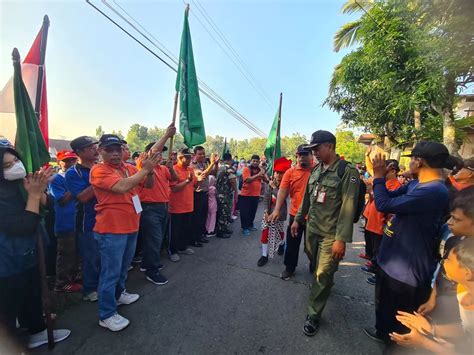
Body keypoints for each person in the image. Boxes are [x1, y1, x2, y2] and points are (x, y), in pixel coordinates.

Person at [364, 141, 453, 344]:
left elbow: (384, 204)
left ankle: (392, 343)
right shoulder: (416, 184)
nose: (410, 164)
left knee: (399, 321)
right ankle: (381, 333)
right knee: (384, 308)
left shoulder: (433, 191)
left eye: (412, 159)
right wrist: (379, 180)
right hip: (391, 261)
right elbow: (387, 197)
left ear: (419, 161)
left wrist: (378, 177)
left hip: (406, 271)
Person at [0, 146, 71, 349]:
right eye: (7, 165)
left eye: (16, 161)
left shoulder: (20, 183)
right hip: (8, 260)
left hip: (29, 253)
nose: (15, 167)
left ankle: (36, 329)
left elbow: (49, 205)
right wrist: (33, 195)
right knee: (10, 303)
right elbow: (23, 226)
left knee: (32, 293)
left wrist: (38, 192)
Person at [291, 130, 360, 336]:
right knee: (314, 262)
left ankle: (313, 315)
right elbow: (307, 198)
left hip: (331, 234)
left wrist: (341, 239)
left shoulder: (347, 172)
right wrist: (297, 219)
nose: (314, 153)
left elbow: (348, 207)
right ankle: (327, 279)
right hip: (312, 229)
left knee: (322, 273)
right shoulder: (316, 170)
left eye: (317, 149)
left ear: (329, 146)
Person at [90, 134, 161, 332]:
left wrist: (150, 171)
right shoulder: (99, 170)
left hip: (131, 225)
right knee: (110, 273)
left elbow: (147, 185)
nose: (114, 153)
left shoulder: (128, 168)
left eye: (118, 149)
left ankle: (119, 294)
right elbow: (122, 187)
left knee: (122, 268)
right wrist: (145, 169)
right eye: (109, 150)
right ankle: (106, 314)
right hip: (111, 230)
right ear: (100, 151)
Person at [137, 125, 177, 285]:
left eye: (162, 153)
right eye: (158, 152)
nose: (160, 155)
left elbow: (173, 179)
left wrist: (171, 168)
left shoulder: (161, 168)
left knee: (156, 238)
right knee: (154, 239)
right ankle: (151, 271)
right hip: (149, 208)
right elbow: (152, 152)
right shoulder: (143, 163)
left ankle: (148, 263)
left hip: (163, 206)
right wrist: (166, 135)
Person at [268, 145, 314, 280]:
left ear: (312, 156)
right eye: (299, 155)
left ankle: (314, 263)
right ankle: (290, 268)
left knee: (311, 245)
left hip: (314, 216)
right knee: (292, 244)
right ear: (296, 156)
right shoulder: (290, 172)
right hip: (295, 215)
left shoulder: (318, 171)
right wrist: (276, 210)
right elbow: (282, 191)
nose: (302, 157)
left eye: (305, 154)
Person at [66, 135, 100, 302]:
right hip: (87, 221)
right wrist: (101, 180)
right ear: (79, 152)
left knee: (103, 256)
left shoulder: (100, 167)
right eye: (90, 147)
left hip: (106, 219)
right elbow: (82, 197)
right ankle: (90, 289)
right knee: (90, 257)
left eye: (95, 146)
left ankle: (102, 284)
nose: (96, 149)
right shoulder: (73, 173)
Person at [361, 158, 402, 286]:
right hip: (373, 221)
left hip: (381, 224)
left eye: (385, 169)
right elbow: (374, 199)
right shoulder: (383, 183)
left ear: (393, 170)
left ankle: (378, 276)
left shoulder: (396, 186)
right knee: (375, 249)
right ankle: (374, 269)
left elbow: (391, 208)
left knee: (380, 252)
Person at [49, 150, 81, 293]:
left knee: (75, 252)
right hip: (65, 222)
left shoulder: (76, 176)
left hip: (77, 221)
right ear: (59, 162)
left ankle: (73, 278)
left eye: (73, 160)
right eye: (66, 160)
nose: (70, 163)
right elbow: (61, 200)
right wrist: (75, 188)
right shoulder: (56, 179)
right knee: (65, 254)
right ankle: (62, 283)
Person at [257, 157, 292, 267]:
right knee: (265, 233)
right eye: (277, 172)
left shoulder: (287, 185)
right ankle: (264, 255)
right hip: (268, 214)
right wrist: (266, 211)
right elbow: (266, 198)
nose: (278, 175)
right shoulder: (270, 183)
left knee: (280, 233)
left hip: (280, 214)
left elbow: (282, 197)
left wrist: (274, 188)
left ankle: (282, 244)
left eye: (281, 173)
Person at [168, 148, 197, 262]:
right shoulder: (173, 170)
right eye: (188, 157)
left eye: (190, 157)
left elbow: (194, 184)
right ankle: (172, 251)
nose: (190, 160)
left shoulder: (190, 169)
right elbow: (174, 189)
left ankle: (182, 247)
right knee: (175, 231)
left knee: (185, 228)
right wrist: (186, 181)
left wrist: (199, 179)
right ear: (180, 158)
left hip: (188, 204)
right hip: (176, 206)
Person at [191, 146, 218, 247]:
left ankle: (200, 235)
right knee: (196, 218)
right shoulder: (193, 165)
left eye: (203, 153)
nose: (202, 155)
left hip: (205, 193)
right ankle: (194, 239)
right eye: (200, 154)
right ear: (194, 155)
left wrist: (215, 164)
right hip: (197, 193)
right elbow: (202, 175)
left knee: (203, 216)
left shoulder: (205, 163)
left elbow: (214, 173)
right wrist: (211, 164)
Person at [239, 155, 268, 235]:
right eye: (253, 161)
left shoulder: (260, 169)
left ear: (259, 162)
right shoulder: (246, 169)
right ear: (251, 161)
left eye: (257, 161)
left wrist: (263, 172)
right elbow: (247, 180)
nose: (255, 162)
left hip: (256, 195)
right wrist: (258, 175)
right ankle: (244, 227)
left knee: (253, 211)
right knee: (245, 212)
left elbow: (266, 180)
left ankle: (250, 225)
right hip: (246, 195)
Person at [215, 152, 237, 238]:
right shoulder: (229, 168)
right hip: (225, 194)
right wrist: (236, 191)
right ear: (230, 160)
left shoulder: (220, 168)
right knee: (224, 213)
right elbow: (233, 181)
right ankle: (221, 231)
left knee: (223, 212)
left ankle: (224, 228)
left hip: (220, 193)